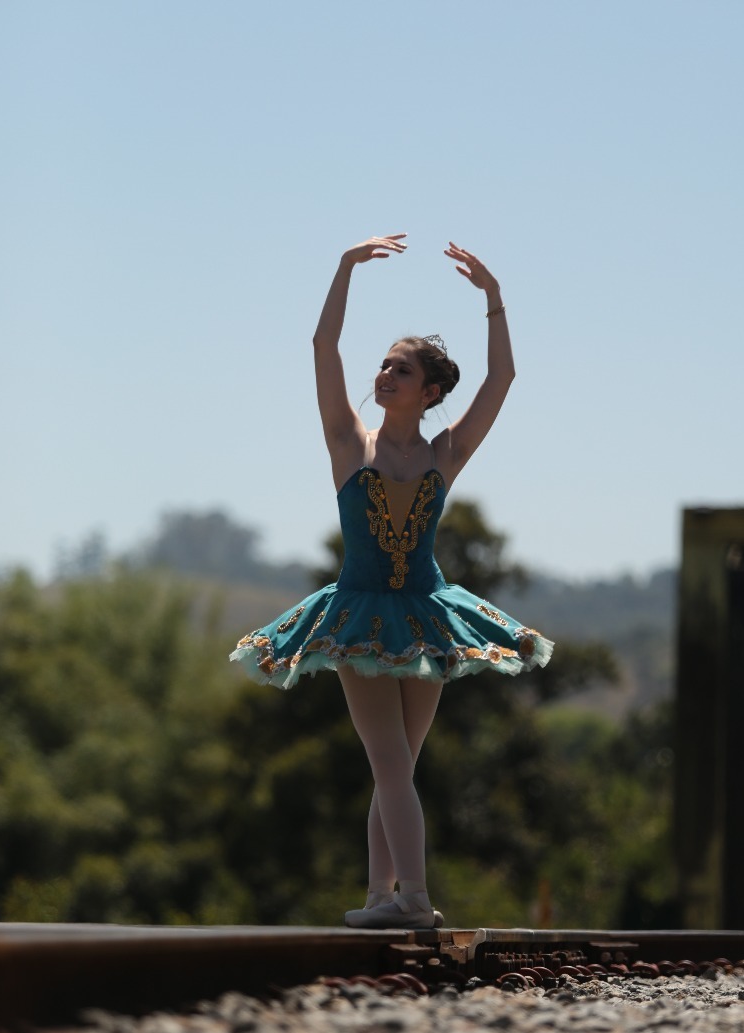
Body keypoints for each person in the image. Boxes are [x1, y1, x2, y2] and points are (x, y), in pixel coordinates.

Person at [230, 234, 554, 929]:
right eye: (382, 365)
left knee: (398, 765)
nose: (383, 375)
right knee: (390, 762)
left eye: (400, 369)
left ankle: (385, 897)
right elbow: (323, 347)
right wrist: (343, 268)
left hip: (427, 613)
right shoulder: (350, 443)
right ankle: (413, 898)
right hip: (358, 614)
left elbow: (502, 380)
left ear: (429, 392)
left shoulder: (446, 452)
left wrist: (495, 299)